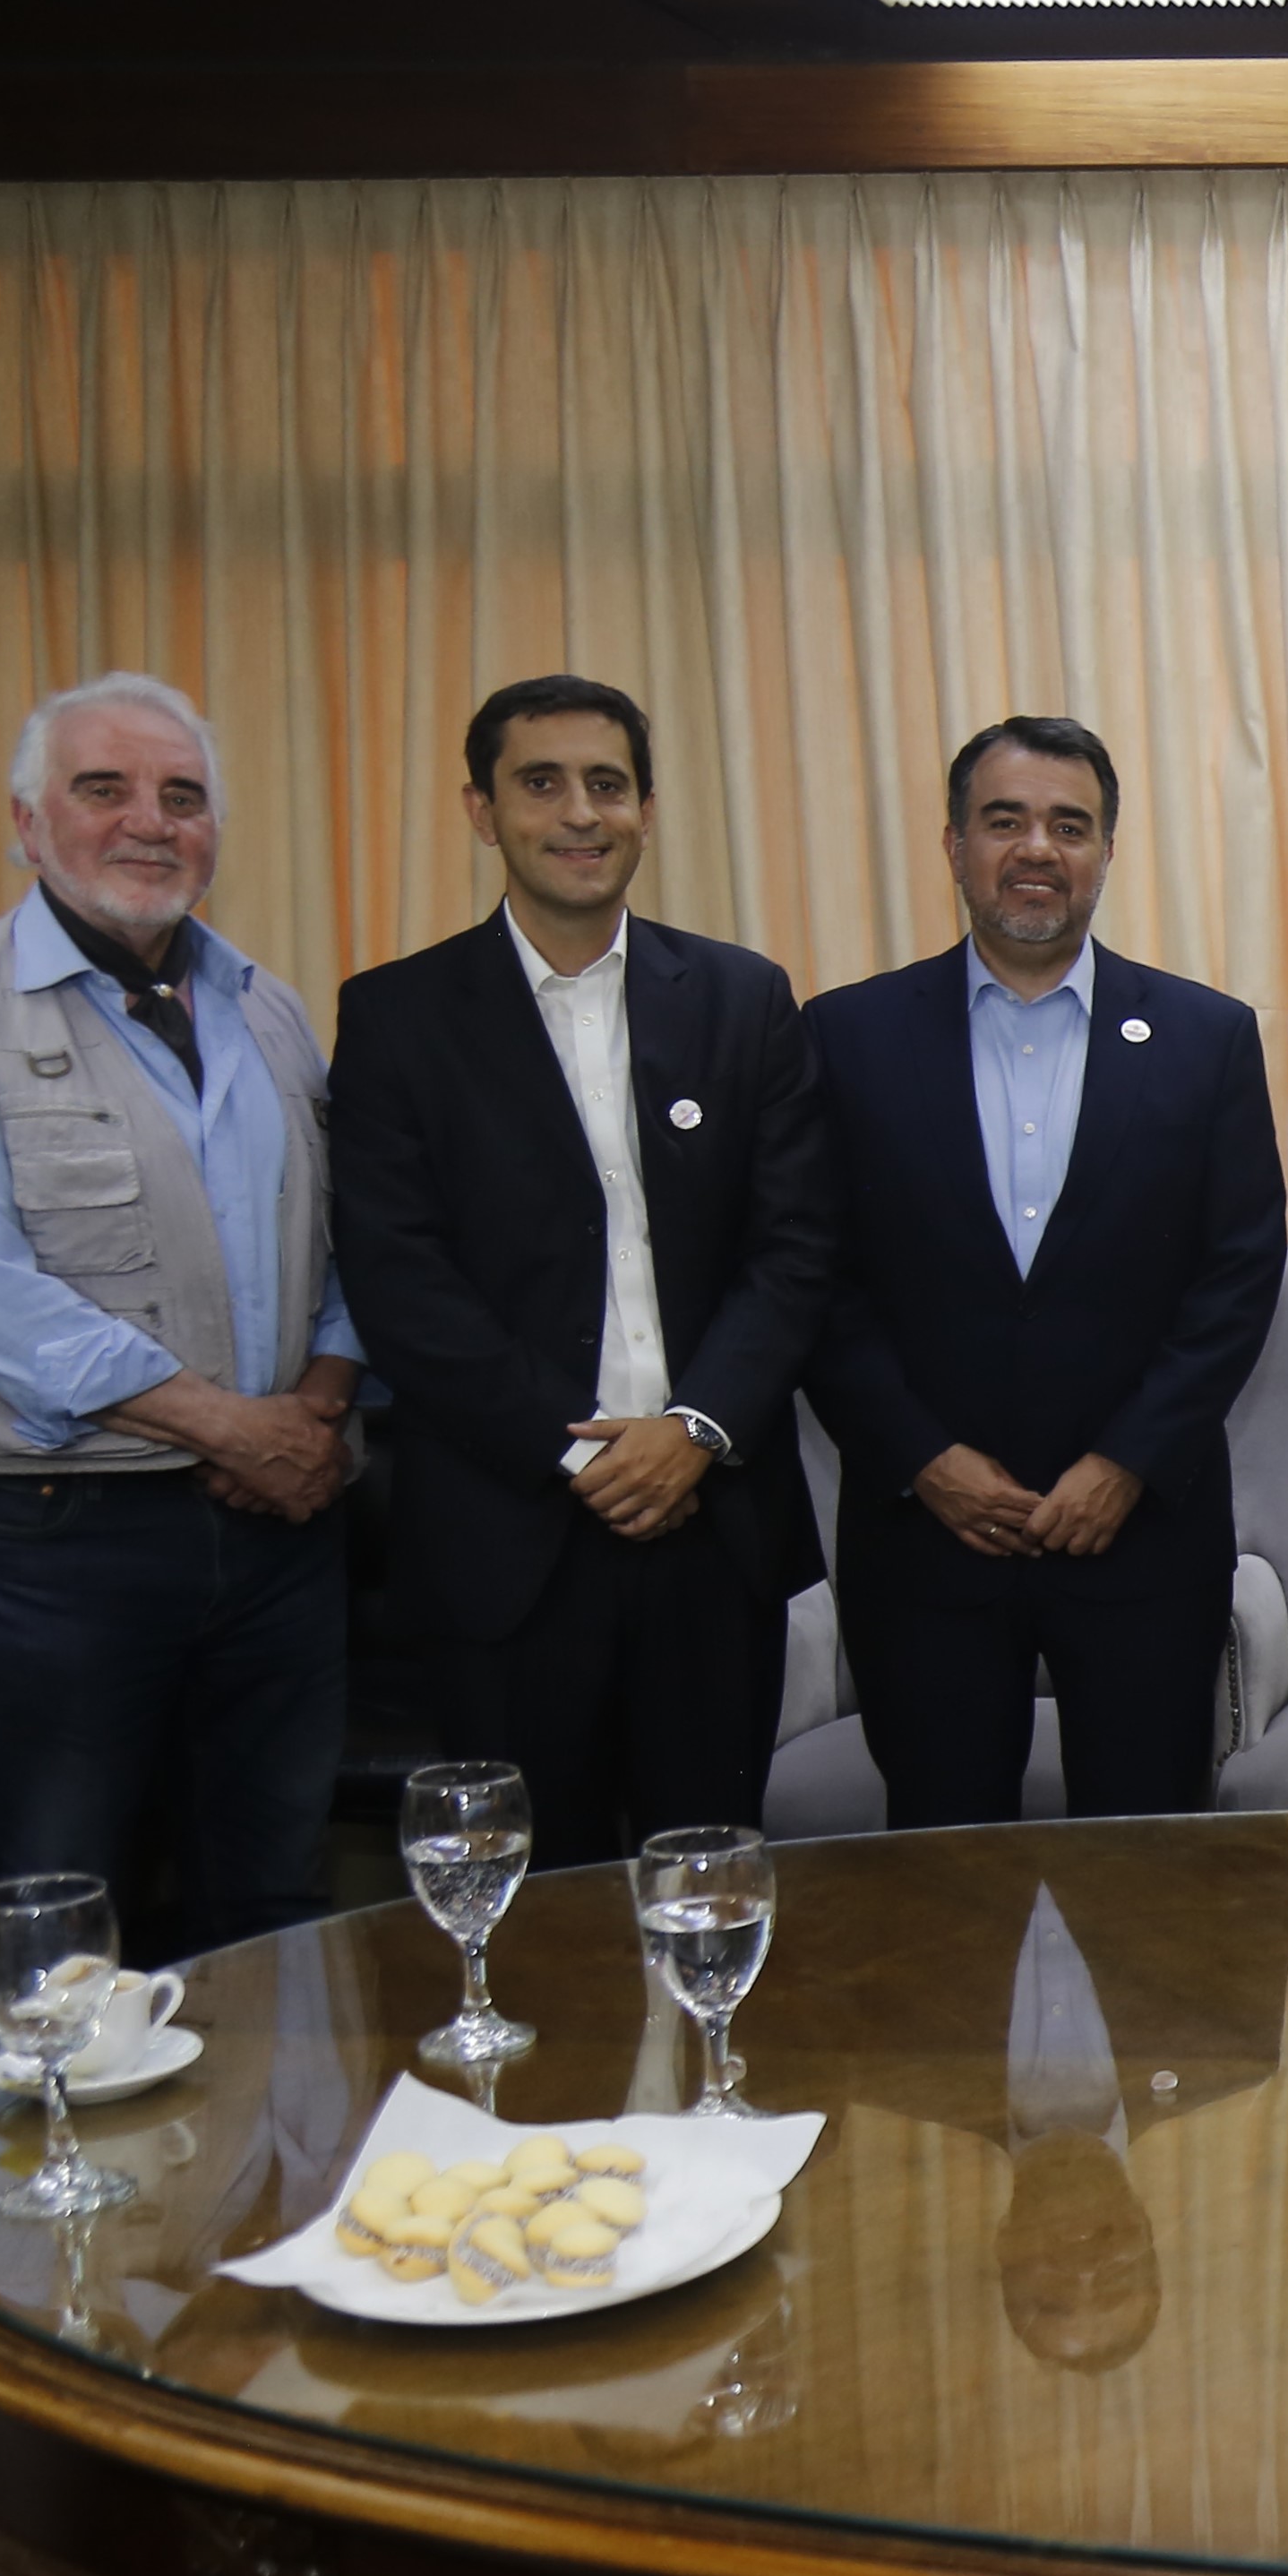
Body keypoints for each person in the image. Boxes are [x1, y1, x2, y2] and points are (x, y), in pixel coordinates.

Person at [331, 674, 837, 1869]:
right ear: (482, 809)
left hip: (712, 1526)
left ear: (646, 811)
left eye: (607, 785)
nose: (578, 813)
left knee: (709, 1885)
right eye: (540, 783)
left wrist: (693, 1429)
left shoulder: (743, 997)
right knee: (534, 1908)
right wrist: (583, 1456)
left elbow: (798, 1246)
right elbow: (400, 1280)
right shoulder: (398, 1015)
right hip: (508, 1539)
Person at [0, 674, 358, 1958]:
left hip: (281, 1523)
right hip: (60, 1537)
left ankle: (268, 2104)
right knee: (61, 1903)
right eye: (104, 789)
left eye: (182, 796)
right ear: (27, 821)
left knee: (273, 1900)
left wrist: (315, 1413)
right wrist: (234, 1428)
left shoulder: (266, 1006)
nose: (150, 822)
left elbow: (343, 1243)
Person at [802, 717, 1285, 1826]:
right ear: (953, 844)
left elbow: (1236, 1273)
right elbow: (814, 1279)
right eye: (1004, 821)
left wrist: (1124, 1463)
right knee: (944, 1880)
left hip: (1140, 1540)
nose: (1036, 849)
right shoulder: (845, 1035)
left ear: (1107, 851)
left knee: (1149, 1883)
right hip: (924, 1543)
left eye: (1069, 826)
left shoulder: (1205, 1036)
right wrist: (925, 1461)